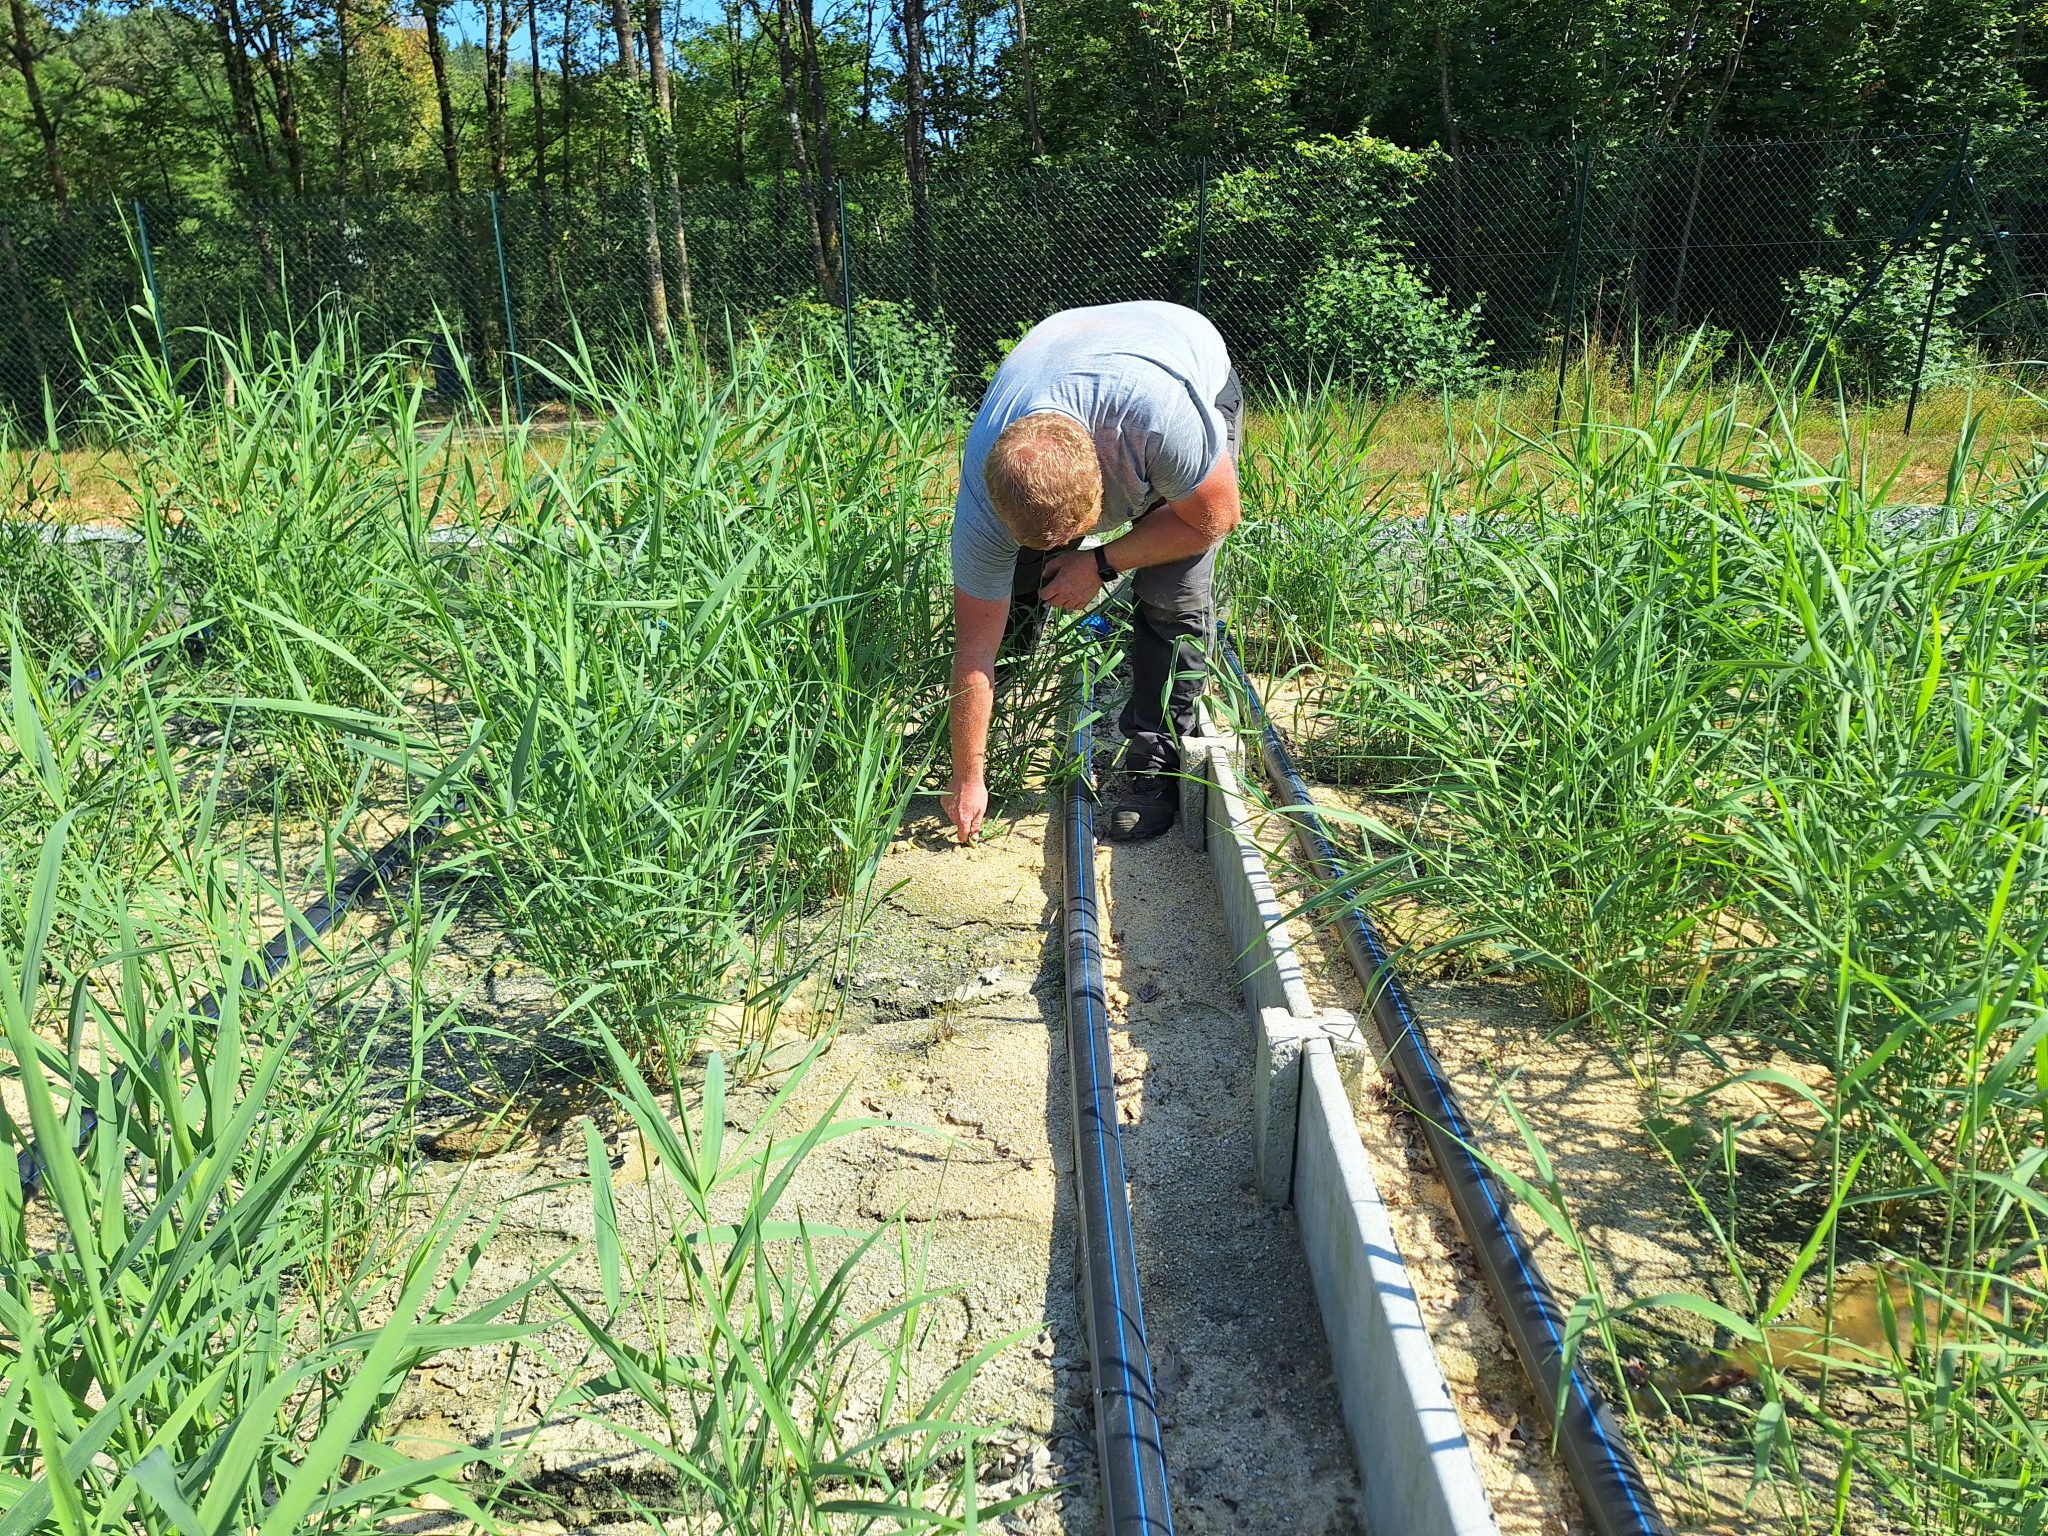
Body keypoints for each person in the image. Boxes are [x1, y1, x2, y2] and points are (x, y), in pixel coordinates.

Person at [941, 301, 1243, 844]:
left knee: (1174, 592)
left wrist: (1101, 563)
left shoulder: (1162, 424)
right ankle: (1000, 713)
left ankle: (1155, 762)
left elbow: (1215, 518)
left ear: (1105, 493)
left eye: (1075, 533)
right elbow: (973, 650)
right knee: (1013, 583)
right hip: (1064, 347)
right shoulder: (985, 501)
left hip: (1176, 352)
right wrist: (968, 776)